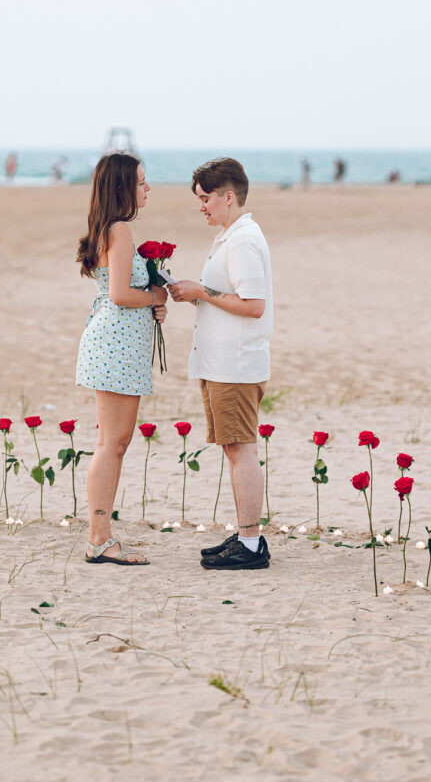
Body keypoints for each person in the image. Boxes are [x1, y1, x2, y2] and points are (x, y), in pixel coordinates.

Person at [169, 157, 273, 570]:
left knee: (240, 448)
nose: (201, 207)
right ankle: (247, 536)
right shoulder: (231, 236)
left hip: (236, 364)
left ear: (228, 197)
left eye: (206, 198)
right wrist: (195, 293)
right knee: (234, 447)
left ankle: (250, 544)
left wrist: (203, 292)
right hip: (220, 362)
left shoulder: (244, 240)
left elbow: (253, 305)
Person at [76, 153, 167, 565]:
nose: (148, 189)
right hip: (115, 342)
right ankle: (99, 538)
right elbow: (119, 294)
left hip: (116, 341)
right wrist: (156, 297)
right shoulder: (120, 230)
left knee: (113, 442)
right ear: (120, 188)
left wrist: (150, 303)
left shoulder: (107, 229)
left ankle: (101, 535)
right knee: (112, 443)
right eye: (142, 182)